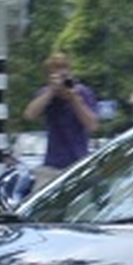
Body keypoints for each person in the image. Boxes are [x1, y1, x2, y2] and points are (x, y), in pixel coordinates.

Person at [23, 52, 100, 188]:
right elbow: (29, 115)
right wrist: (51, 92)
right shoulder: (46, 94)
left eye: (64, 70)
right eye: (56, 71)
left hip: (78, 165)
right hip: (52, 166)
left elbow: (92, 125)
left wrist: (73, 99)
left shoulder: (82, 93)